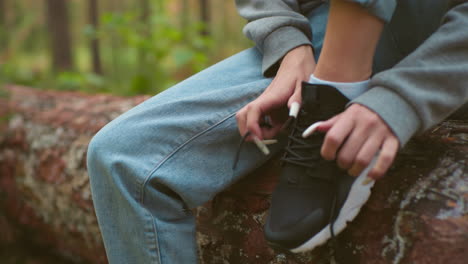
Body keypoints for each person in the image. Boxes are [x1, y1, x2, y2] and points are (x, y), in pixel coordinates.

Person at [87, 0, 468, 263]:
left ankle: (335, 89)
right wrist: (288, 44)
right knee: (122, 157)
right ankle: (329, 85)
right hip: (319, 28)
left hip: (441, 38)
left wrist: (404, 97)